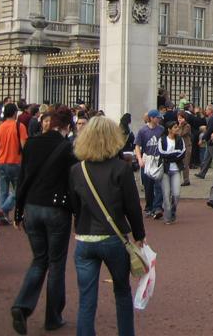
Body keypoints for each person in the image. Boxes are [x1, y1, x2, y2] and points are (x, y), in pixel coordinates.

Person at [69, 116, 146, 336]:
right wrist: (139, 234)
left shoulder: (77, 169)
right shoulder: (121, 169)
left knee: (86, 299)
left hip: (85, 238)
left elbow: (75, 205)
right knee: (122, 292)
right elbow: (132, 206)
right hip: (113, 237)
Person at [10, 105, 76, 334]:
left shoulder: (32, 143)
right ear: (66, 126)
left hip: (31, 207)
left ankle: (22, 305)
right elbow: (72, 183)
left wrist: (18, 211)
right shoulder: (66, 147)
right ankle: (53, 317)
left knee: (39, 260)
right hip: (56, 209)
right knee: (56, 264)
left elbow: (23, 178)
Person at [0, 102, 29, 225]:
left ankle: (1, 217)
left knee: (3, 191)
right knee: (18, 190)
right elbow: (24, 146)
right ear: (15, 113)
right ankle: (4, 209)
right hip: (15, 161)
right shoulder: (20, 126)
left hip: (1, 161)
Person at [158, 121, 185, 224]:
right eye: (175, 127)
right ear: (169, 129)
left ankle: (173, 210)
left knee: (176, 194)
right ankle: (168, 217)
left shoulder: (180, 139)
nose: (177, 129)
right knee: (166, 194)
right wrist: (174, 154)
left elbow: (182, 152)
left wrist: (170, 156)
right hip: (165, 170)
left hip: (176, 170)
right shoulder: (162, 140)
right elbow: (162, 153)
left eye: (177, 127)